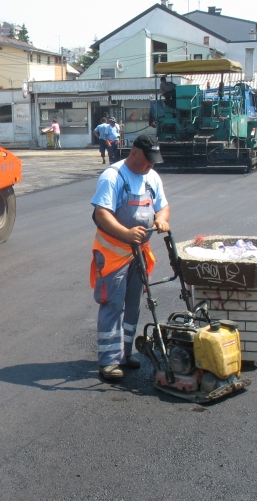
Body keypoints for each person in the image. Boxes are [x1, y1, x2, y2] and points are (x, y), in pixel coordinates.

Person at [89, 134, 170, 380]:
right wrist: (126, 233)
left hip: (139, 253)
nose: (151, 166)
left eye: (154, 162)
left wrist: (161, 219)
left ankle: (126, 353)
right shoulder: (113, 177)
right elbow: (101, 214)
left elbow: (163, 206)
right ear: (134, 153)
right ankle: (109, 362)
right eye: (147, 161)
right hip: (113, 253)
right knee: (113, 304)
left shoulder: (152, 177)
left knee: (133, 303)